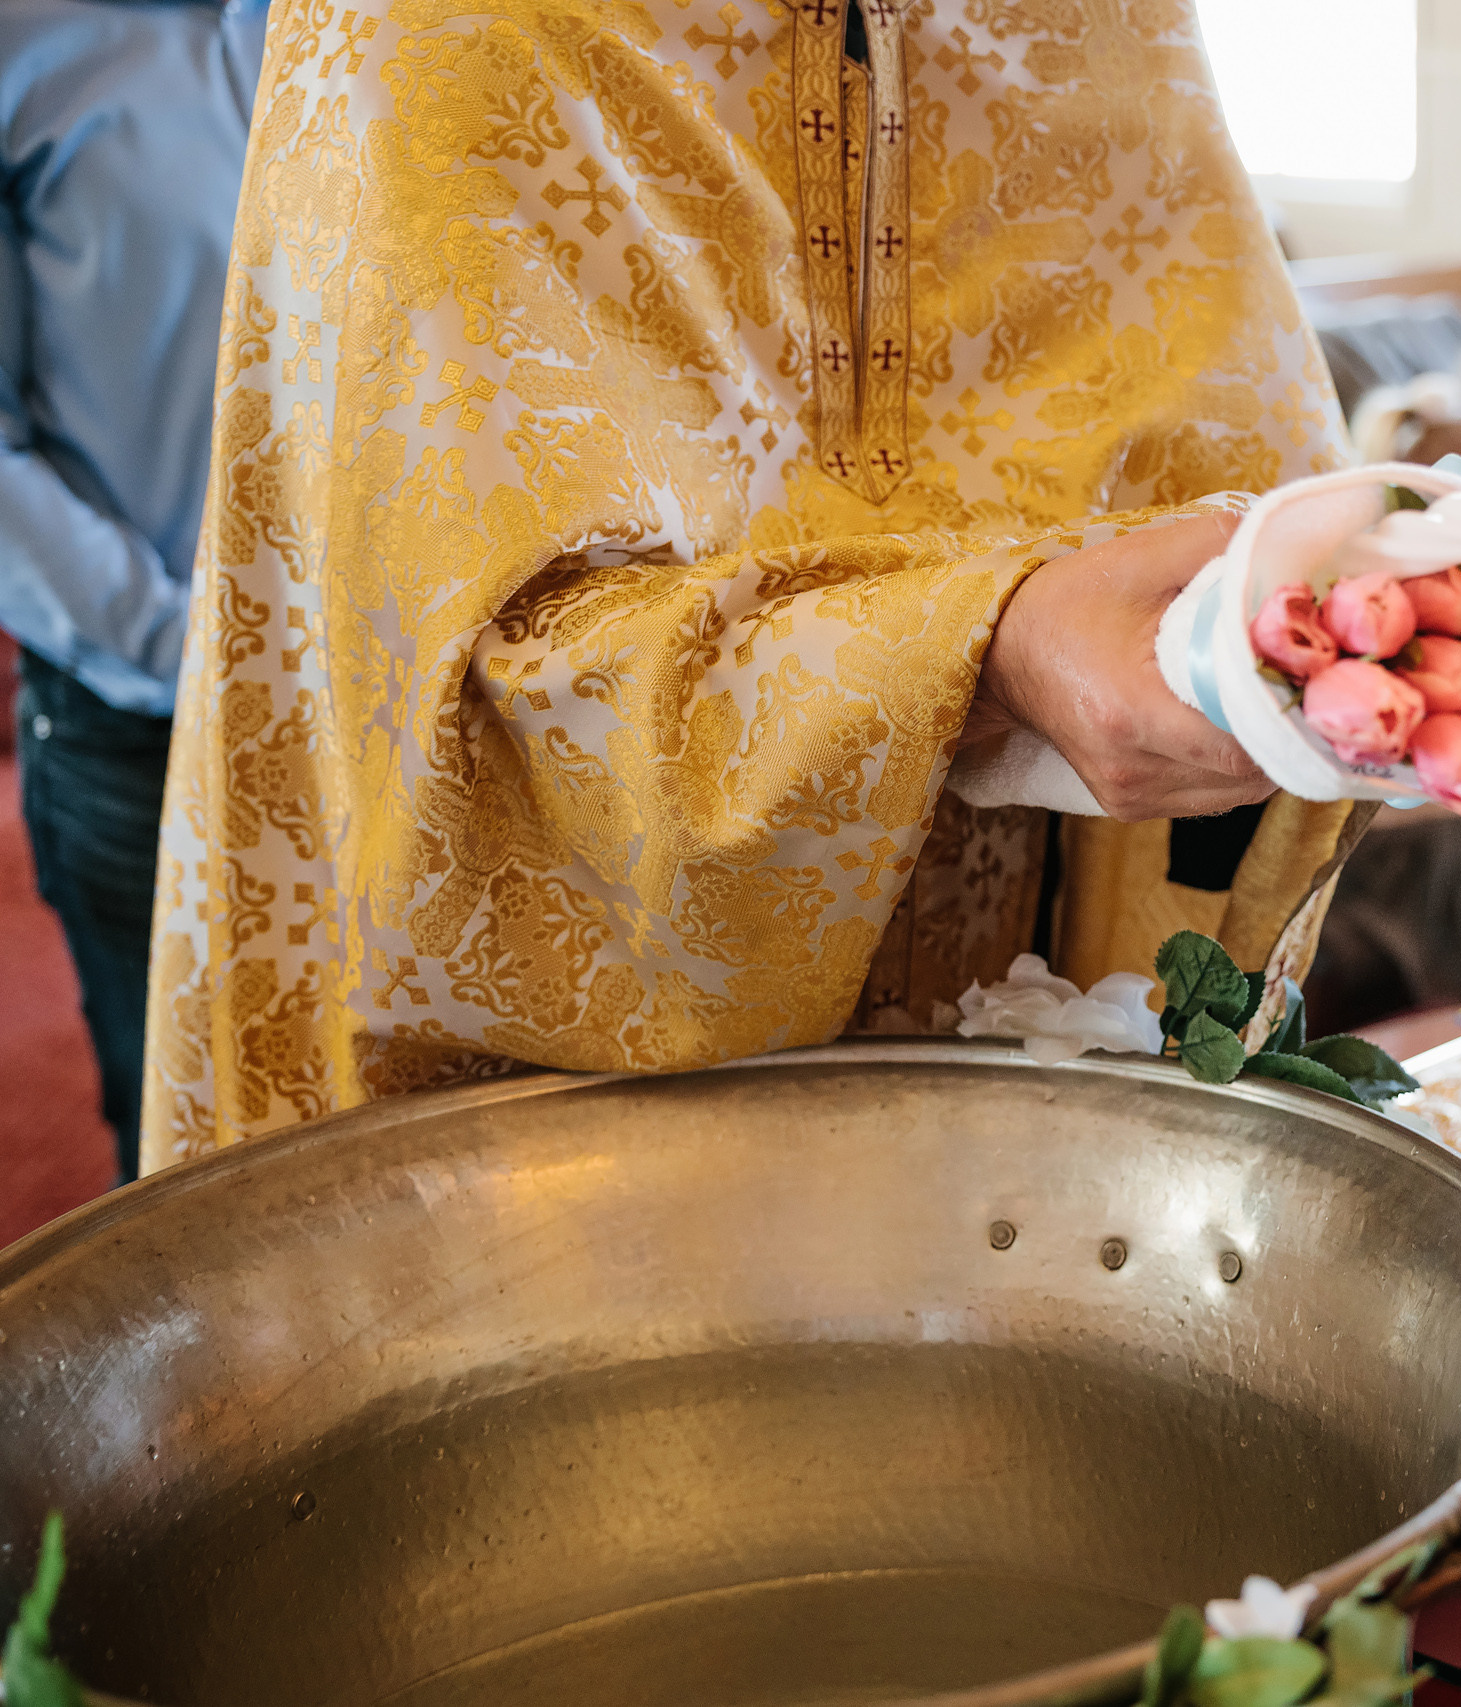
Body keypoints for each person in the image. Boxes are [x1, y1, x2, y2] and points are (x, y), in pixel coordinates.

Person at [141, 0, 1359, 1164]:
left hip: (1022, 1046)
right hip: (560, 1165)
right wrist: (981, 653)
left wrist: (1333, 619)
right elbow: (449, 739)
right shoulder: (432, 30)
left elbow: (1238, 465)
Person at [1, 0, 267, 1181]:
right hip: (141, 725)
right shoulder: (25, 42)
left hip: (390, 705)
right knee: (176, 1148)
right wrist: (189, 649)